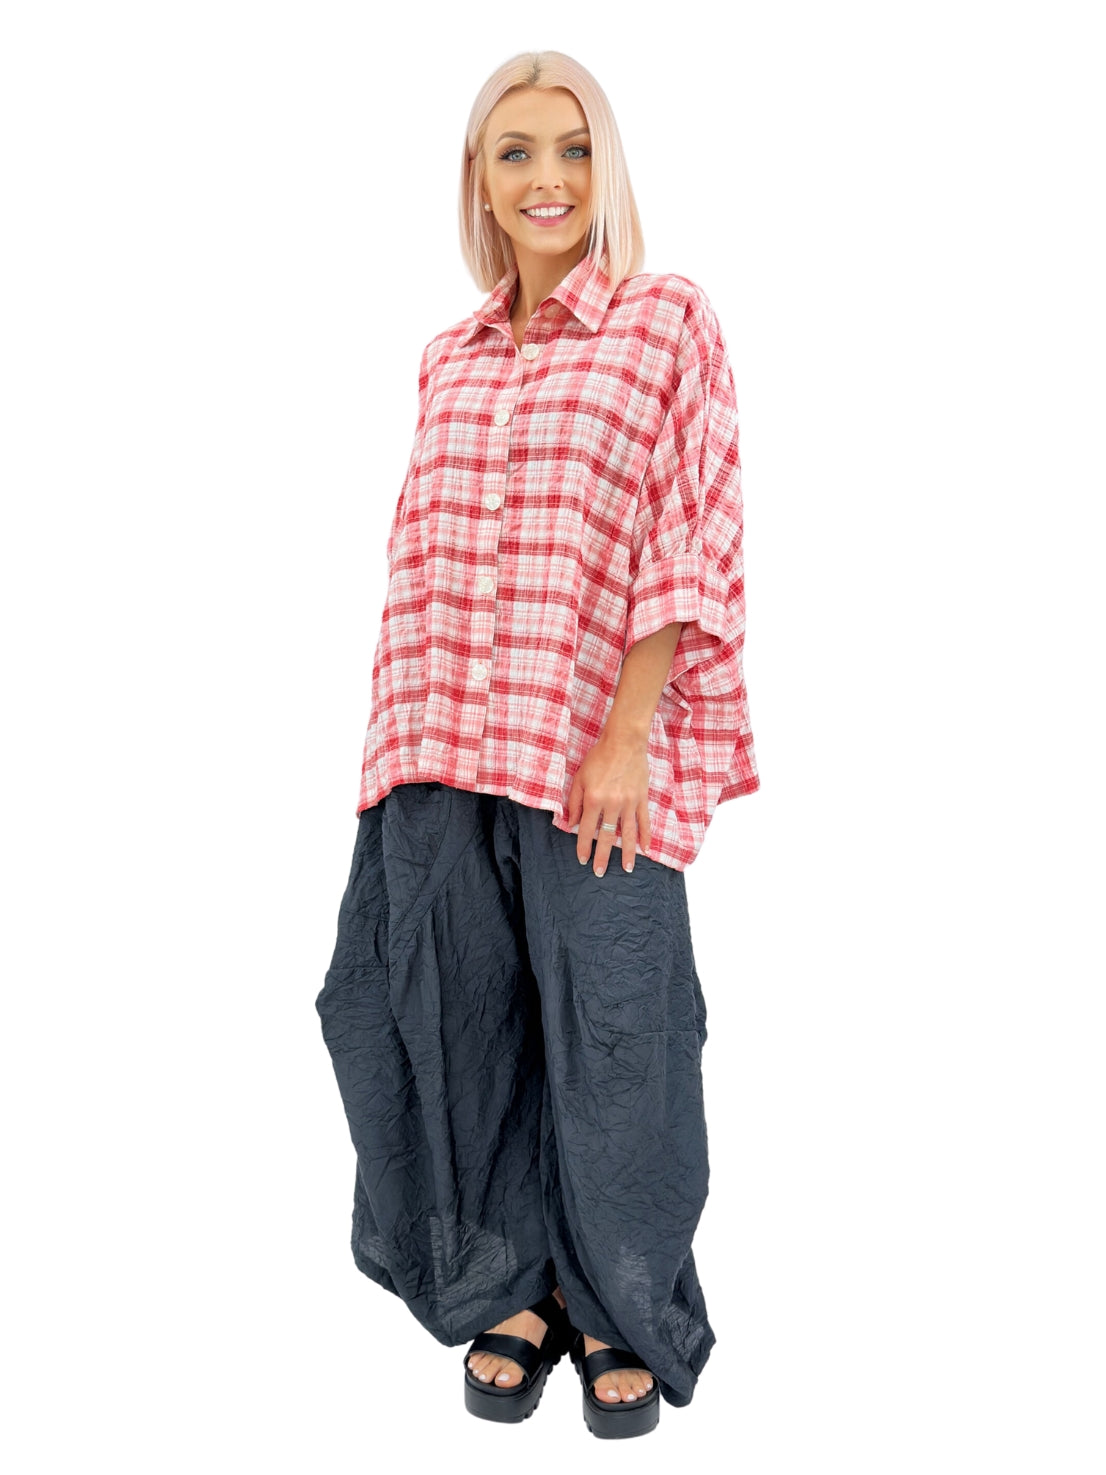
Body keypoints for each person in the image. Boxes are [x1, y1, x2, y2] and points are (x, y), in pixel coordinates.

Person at [315, 49, 760, 1440]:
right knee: (442, 1015)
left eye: (572, 148)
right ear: (480, 178)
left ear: (604, 166)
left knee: (618, 1029)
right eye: (514, 151)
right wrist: (392, 751)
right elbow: (418, 560)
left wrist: (626, 734)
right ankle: (512, 1285)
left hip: (588, 753)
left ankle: (620, 1301)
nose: (547, 177)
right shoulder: (445, 357)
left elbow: (689, 532)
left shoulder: (665, 320)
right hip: (438, 737)